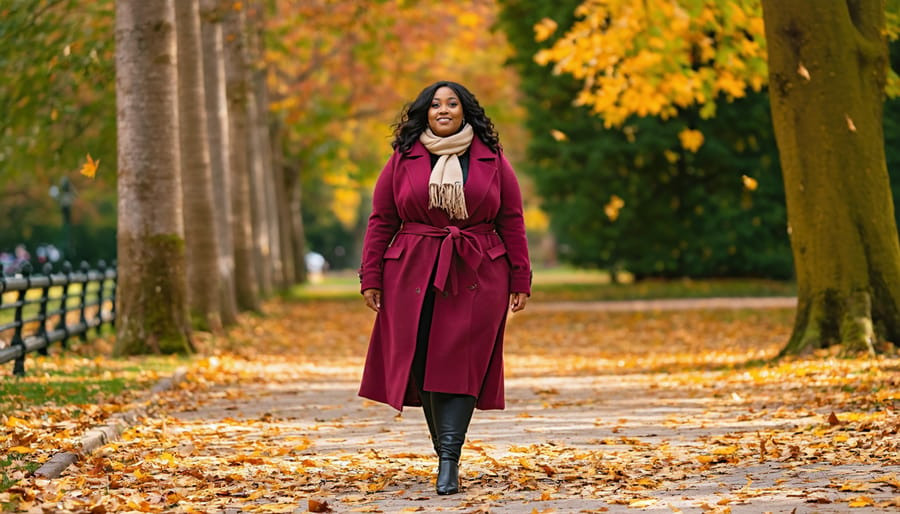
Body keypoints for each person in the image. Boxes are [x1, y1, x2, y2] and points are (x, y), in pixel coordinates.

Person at [358, 80, 532, 495]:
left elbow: (512, 219)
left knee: (461, 362)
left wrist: (521, 276)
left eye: (452, 104)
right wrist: (371, 276)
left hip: (478, 270)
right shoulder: (404, 157)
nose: (443, 110)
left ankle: (449, 461)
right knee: (421, 362)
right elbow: (382, 218)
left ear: (465, 112)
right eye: (435, 104)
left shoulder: (491, 158)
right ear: (425, 112)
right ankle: (444, 455)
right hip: (412, 271)